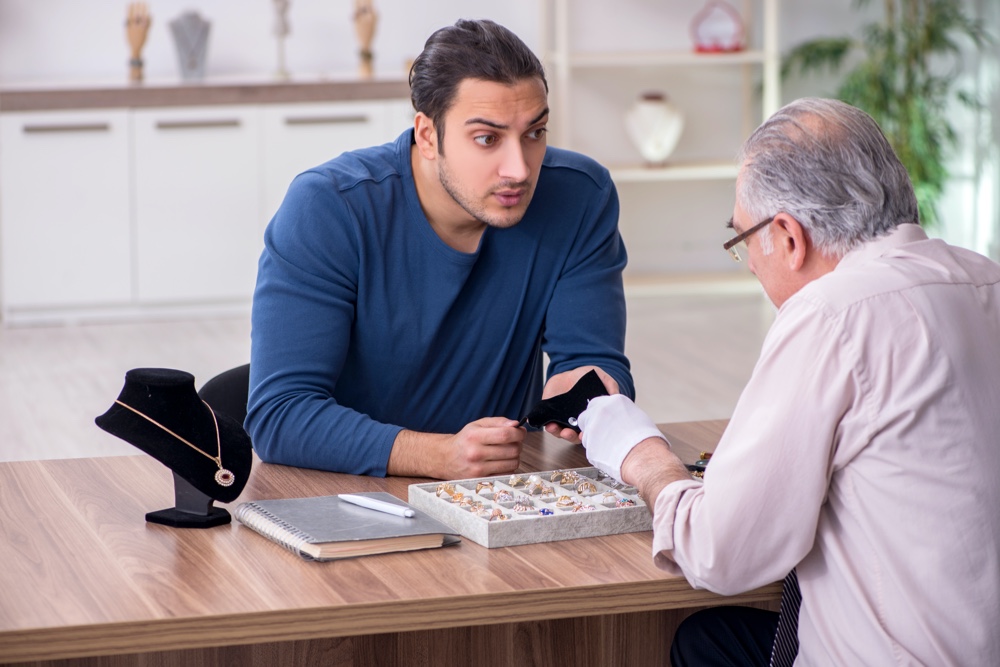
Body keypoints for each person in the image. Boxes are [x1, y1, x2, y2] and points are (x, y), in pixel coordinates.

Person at [578, 97, 1000, 665]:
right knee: (711, 641)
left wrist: (640, 454)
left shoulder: (833, 312)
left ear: (788, 235)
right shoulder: (983, 278)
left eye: (743, 240)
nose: (751, 263)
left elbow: (722, 552)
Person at [246, 19, 633, 479]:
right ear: (428, 136)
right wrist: (438, 455)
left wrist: (587, 388)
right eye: (487, 138)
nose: (520, 169)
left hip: (496, 497)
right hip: (342, 492)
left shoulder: (579, 195)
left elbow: (595, 357)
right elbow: (279, 415)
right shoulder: (329, 208)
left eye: (534, 133)